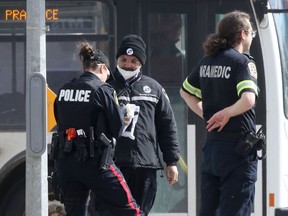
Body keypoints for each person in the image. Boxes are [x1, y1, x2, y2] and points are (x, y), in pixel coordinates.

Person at [180, 11, 259, 216]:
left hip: (213, 148)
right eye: (252, 33)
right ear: (242, 34)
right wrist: (226, 113)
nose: (252, 37)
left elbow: (185, 92)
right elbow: (249, 99)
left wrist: (208, 116)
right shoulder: (242, 62)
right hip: (238, 151)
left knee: (209, 210)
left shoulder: (207, 61)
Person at [52, 41, 143, 216]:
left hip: (65, 164)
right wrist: (126, 117)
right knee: (130, 209)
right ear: (102, 68)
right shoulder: (103, 89)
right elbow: (116, 128)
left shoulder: (64, 89)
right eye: (107, 73)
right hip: (95, 163)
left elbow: (59, 120)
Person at [107, 34, 180, 216]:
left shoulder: (154, 88)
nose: (128, 65)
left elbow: (167, 127)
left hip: (145, 165)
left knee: (141, 212)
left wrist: (171, 162)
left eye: (133, 61)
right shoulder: (106, 87)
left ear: (141, 63)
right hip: (113, 164)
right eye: (123, 60)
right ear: (117, 60)